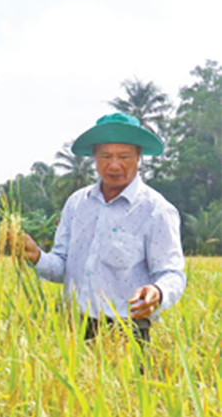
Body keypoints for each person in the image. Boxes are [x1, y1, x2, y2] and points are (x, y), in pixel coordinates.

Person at [20, 113, 186, 342]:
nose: (114, 165)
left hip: (126, 332)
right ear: (94, 157)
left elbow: (172, 273)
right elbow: (62, 267)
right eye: (106, 156)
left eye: (124, 156)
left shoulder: (156, 210)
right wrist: (36, 256)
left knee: (130, 379)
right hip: (73, 329)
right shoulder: (77, 204)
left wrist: (157, 292)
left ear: (139, 157)